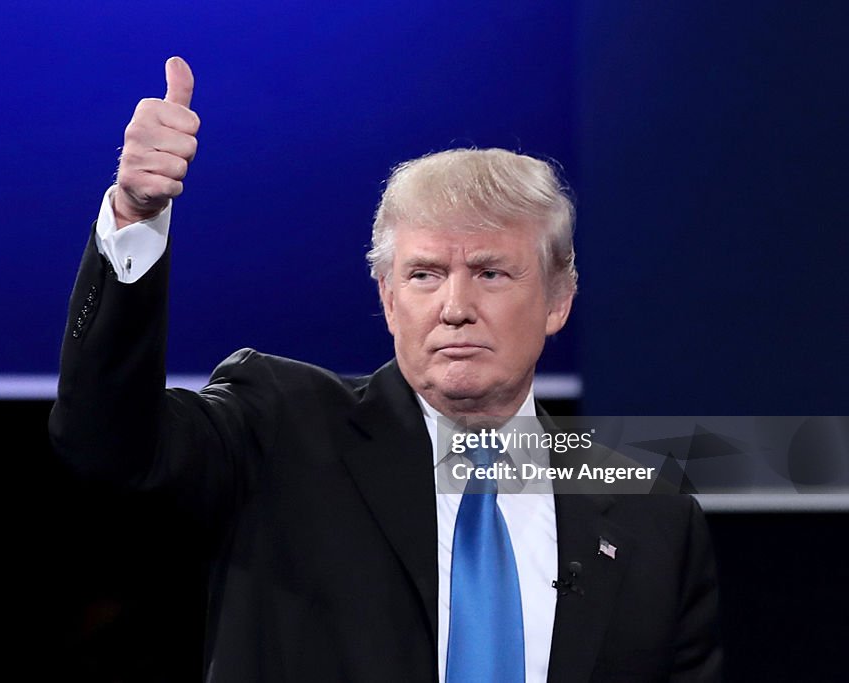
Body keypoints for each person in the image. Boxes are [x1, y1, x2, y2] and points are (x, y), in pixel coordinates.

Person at [50, 57, 722, 683]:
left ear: (558, 299)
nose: (455, 307)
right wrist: (136, 219)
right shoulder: (280, 428)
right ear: (387, 296)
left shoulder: (651, 513)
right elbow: (107, 443)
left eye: (490, 272)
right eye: (425, 274)